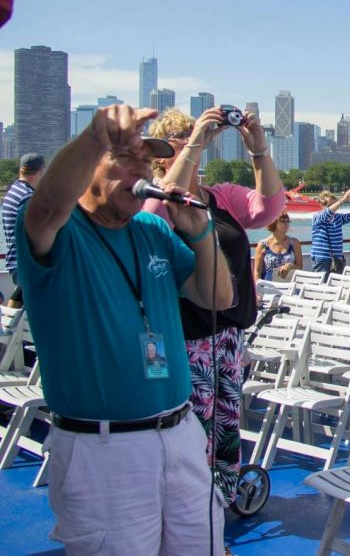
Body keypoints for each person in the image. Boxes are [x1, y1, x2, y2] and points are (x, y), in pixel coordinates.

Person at [16, 104, 234, 553]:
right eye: (125, 158)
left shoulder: (152, 228)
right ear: (87, 169)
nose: (142, 170)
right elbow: (51, 202)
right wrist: (96, 137)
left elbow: (217, 298)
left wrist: (201, 234)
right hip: (103, 450)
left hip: (180, 432)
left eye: (147, 161)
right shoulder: (61, 230)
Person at [146, 106, 286, 504]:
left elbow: (269, 207)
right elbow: (157, 216)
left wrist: (258, 149)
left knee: (224, 424)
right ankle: (179, 503)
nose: (195, 143)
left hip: (224, 336)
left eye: (196, 136)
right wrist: (194, 144)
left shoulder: (219, 197)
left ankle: (217, 501)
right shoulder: (150, 195)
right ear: (161, 155)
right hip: (174, 338)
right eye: (179, 140)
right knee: (181, 426)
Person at [2, 152, 45, 284]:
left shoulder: (13, 191)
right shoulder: (28, 197)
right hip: (26, 266)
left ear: (21, 169)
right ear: (41, 172)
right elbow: (36, 235)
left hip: (16, 263)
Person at [310, 188, 350, 276]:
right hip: (322, 257)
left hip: (336, 257)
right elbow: (328, 213)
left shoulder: (338, 217)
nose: (333, 207)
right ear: (322, 205)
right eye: (329, 205)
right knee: (321, 282)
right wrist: (343, 199)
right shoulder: (317, 216)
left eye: (334, 204)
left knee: (336, 282)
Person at [254, 212, 302, 281]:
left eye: (288, 221)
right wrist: (257, 286)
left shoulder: (294, 243)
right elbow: (257, 272)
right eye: (283, 221)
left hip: (289, 286)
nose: (286, 224)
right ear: (274, 222)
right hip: (268, 285)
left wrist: (290, 265)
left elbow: (300, 266)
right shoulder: (263, 245)